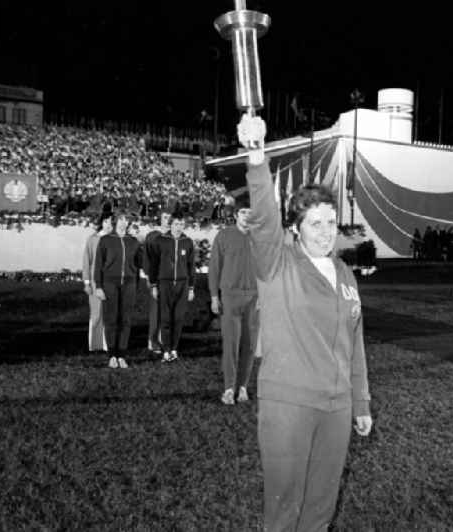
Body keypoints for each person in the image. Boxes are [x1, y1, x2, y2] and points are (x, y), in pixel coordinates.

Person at [238, 114, 372, 532]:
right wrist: (257, 159)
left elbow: (355, 343)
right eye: (315, 223)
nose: (326, 231)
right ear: (296, 230)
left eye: (331, 222)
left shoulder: (346, 274)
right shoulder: (279, 264)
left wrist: (361, 402)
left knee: (320, 509)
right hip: (290, 405)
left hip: (336, 408)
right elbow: (263, 218)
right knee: (284, 508)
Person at [208, 197, 259, 404]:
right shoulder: (224, 235)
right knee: (231, 344)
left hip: (254, 298)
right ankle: (229, 388)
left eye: (250, 212)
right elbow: (214, 268)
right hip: (230, 297)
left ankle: (243, 387)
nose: (247, 216)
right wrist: (214, 296)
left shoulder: (260, 238)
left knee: (249, 346)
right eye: (243, 212)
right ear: (236, 215)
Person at [94, 210, 143, 369]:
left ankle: (122, 354)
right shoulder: (106, 240)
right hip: (110, 284)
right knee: (111, 320)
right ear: (115, 222)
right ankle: (112, 355)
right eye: (120, 219)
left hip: (129, 284)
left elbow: (140, 264)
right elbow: (98, 265)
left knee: (126, 320)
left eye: (126, 219)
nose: (123, 222)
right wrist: (99, 286)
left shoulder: (133, 241)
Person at [147, 213, 196, 362]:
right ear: (171, 224)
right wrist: (154, 285)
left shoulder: (187, 242)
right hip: (164, 283)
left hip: (182, 284)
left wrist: (191, 288)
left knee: (179, 318)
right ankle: (166, 350)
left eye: (181, 224)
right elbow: (154, 265)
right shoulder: (160, 241)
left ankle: (174, 349)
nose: (178, 227)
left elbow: (191, 266)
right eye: (176, 224)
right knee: (166, 318)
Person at [82, 213, 112, 352]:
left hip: (111, 282)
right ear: (102, 223)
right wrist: (87, 282)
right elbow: (86, 261)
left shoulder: (115, 239)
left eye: (111, 222)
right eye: (106, 222)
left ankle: (108, 344)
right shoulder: (93, 239)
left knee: (109, 313)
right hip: (95, 282)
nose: (108, 224)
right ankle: (94, 344)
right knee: (96, 313)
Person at [144, 211, 171, 353]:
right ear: (160, 219)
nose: (168, 220)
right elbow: (147, 258)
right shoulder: (153, 237)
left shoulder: (176, 237)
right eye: (165, 217)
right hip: (157, 278)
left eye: (170, 218)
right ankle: (152, 341)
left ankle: (165, 340)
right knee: (156, 311)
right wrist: (150, 278)